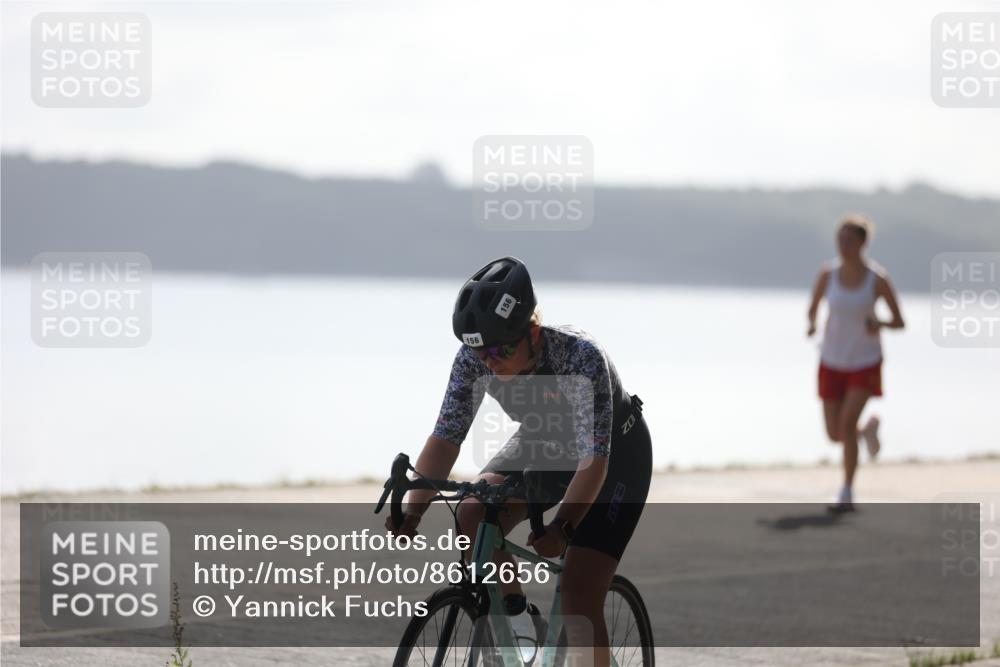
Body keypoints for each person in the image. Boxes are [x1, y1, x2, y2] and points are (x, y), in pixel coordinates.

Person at [386, 256, 652, 667]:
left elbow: (594, 462)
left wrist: (564, 527)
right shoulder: (473, 359)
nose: (489, 361)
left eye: (499, 349)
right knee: (472, 514)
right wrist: (414, 509)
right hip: (543, 443)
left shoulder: (579, 357)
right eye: (480, 351)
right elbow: (444, 440)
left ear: (532, 331)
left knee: (581, 598)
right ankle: (518, 618)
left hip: (614, 456)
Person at [807, 216, 905, 512]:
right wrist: (812, 325)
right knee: (836, 433)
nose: (843, 245)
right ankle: (867, 431)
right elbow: (812, 309)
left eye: (849, 240)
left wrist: (880, 324)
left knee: (846, 424)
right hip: (832, 360)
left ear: (863, 242)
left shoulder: (877, 279)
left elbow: (899, 321)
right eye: (840, 239)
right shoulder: (828, 274)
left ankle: (847, 491)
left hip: (865, 361)